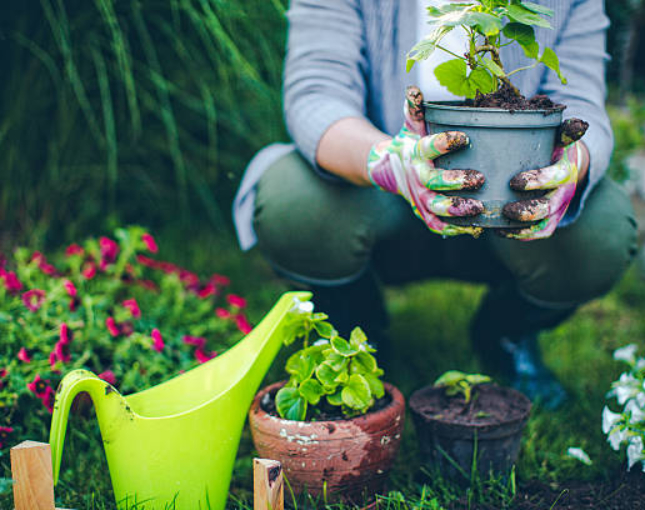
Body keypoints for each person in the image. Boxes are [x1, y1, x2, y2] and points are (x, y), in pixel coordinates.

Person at [233, 0, 638, 409]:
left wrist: (572, 164)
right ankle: (356, 324)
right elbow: (316, 94)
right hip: (376, 196)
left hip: (511, 200)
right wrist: (391, 163)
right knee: (292, 201)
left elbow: (581, 100)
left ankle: (506, 331)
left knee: (601, 232)